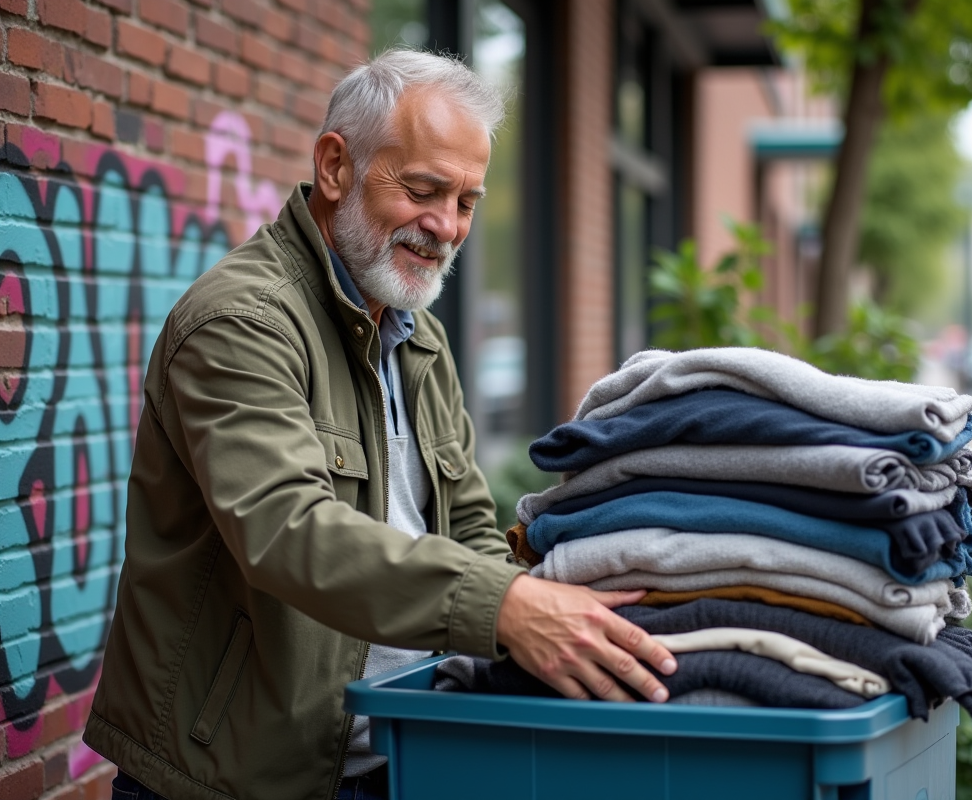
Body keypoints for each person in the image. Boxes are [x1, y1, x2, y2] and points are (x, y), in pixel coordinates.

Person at [83, 49, 677, 800]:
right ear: (336, 167)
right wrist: (505, 608)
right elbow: (286, 528)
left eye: (467, 202)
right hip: (236, 777)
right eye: (425, 190)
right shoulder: (241, 321)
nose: (447, 227)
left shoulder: (414, 332)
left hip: (398, 756)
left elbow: (464, 521)